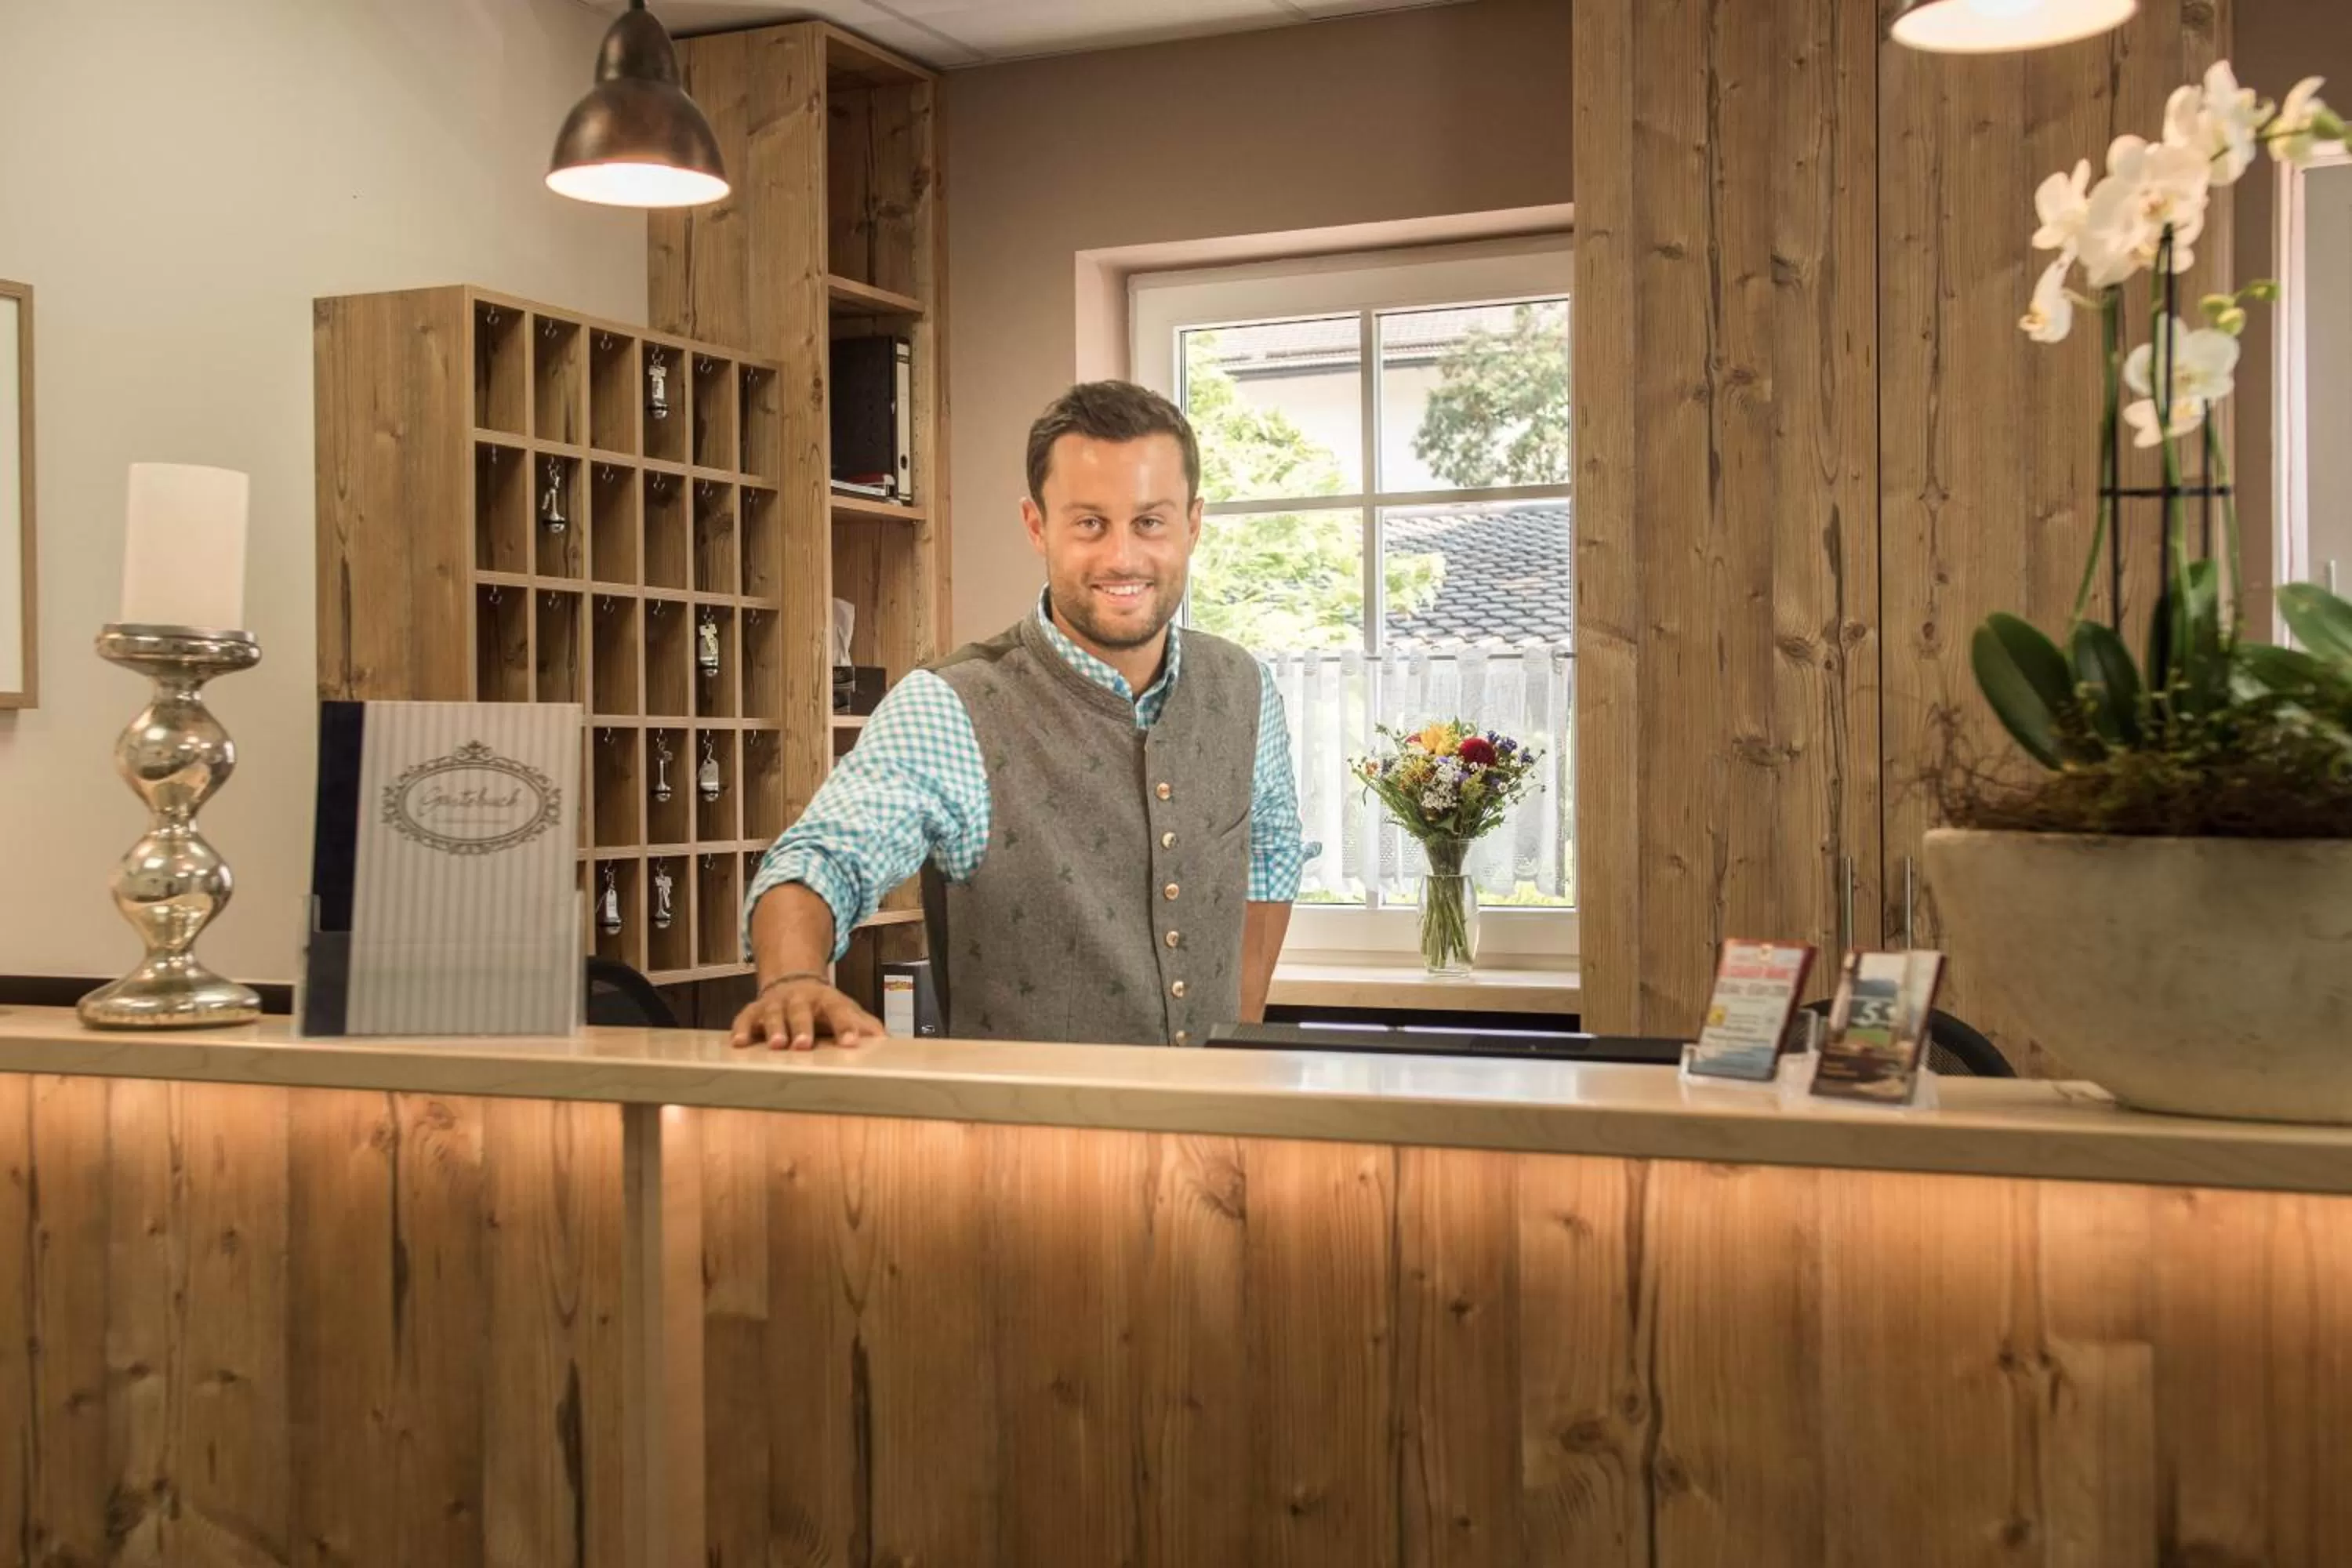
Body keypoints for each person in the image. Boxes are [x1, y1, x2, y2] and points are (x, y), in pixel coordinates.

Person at [731, 381, 1312, 1051]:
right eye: (1090, 523)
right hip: (1024, 1144)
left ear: (1194, 524)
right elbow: (821, 858)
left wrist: (1235, 1048)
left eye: (1150, 521)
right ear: (1037, 526)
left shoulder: (1246, 688)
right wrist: (792, 979)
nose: (1123, 556)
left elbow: (1270, 853)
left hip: (1212, 1144)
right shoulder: (952, 705)